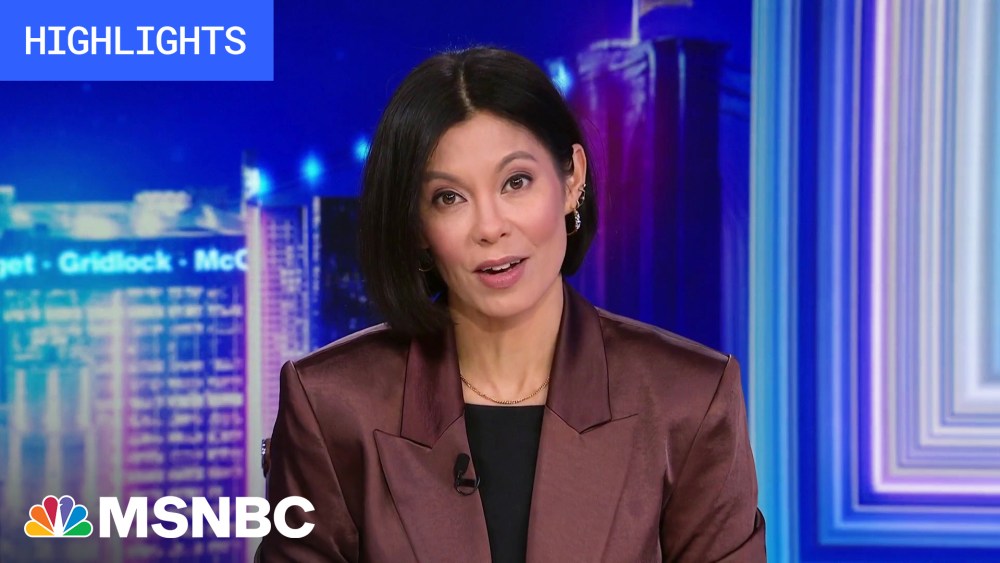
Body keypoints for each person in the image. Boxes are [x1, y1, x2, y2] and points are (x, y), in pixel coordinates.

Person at [257, 46, 766, 562]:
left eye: (516, 182)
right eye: (449, 197)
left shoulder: (690, 402)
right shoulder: (330, 407)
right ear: (417, 227)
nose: (490, 227)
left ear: (572, 181)